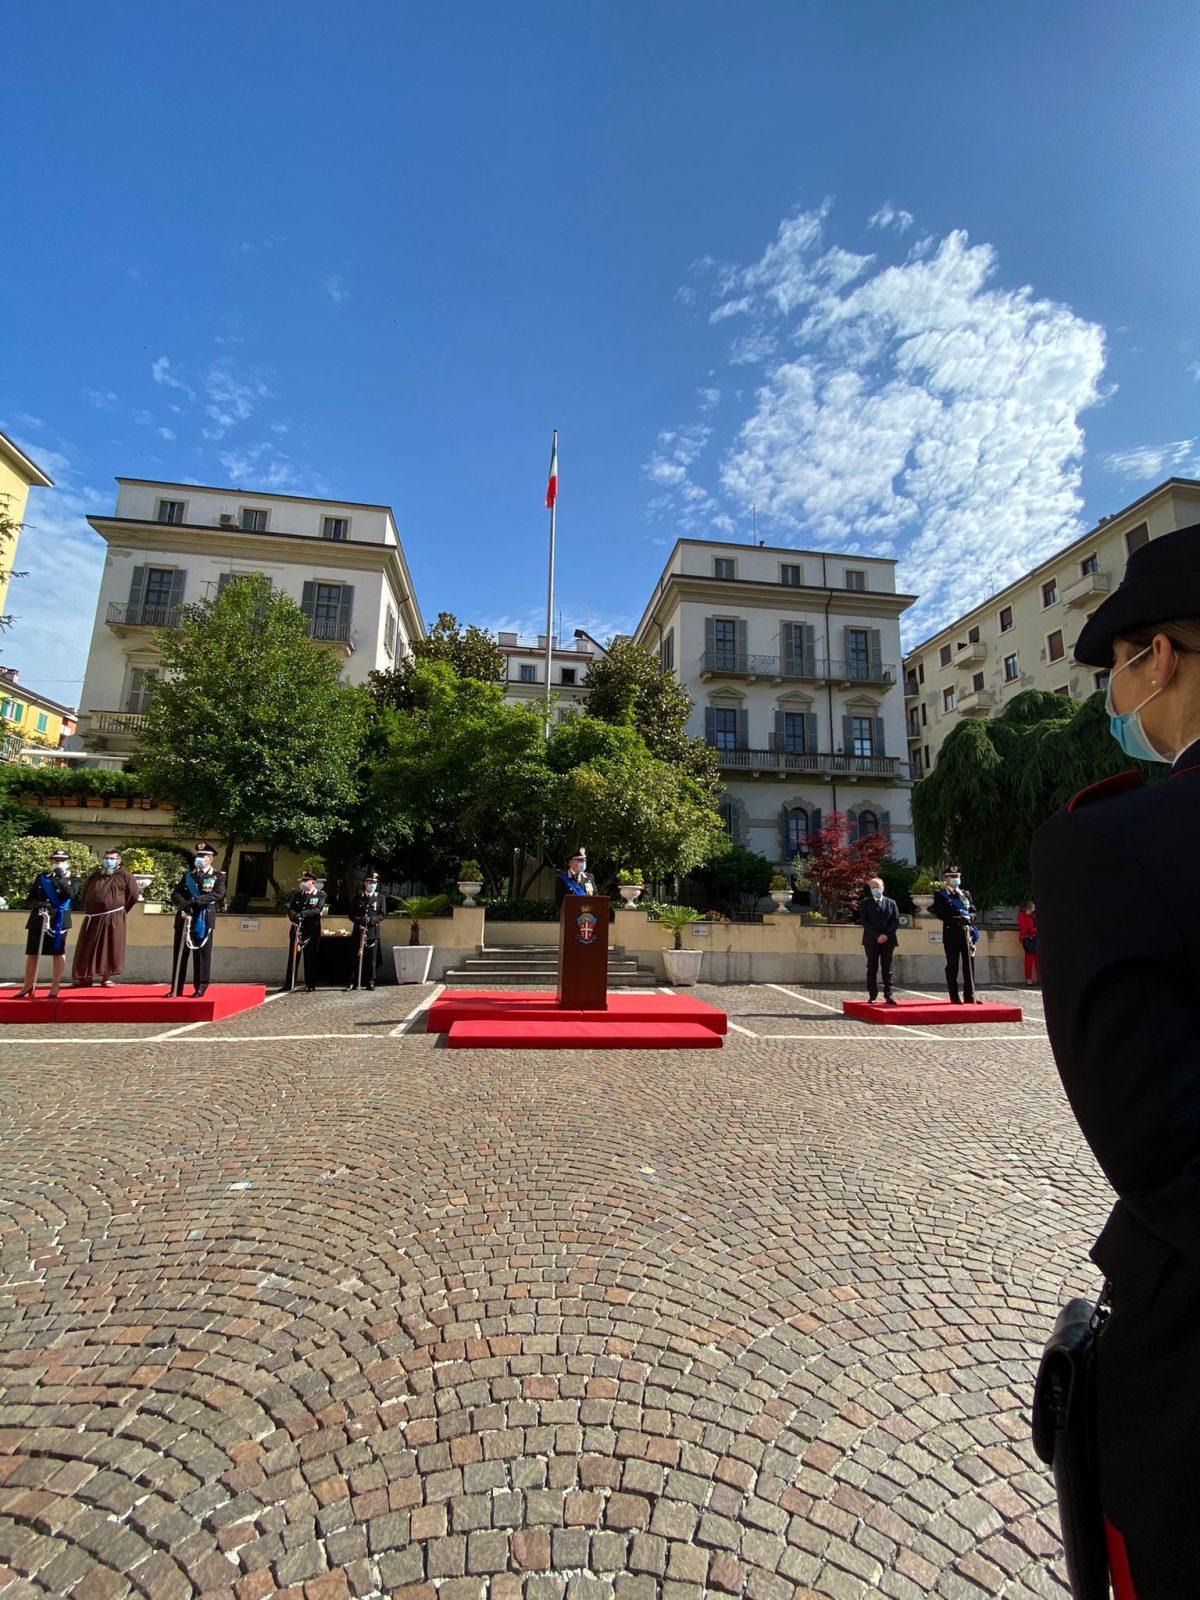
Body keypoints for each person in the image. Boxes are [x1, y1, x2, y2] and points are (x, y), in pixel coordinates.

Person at [1031, 521, 1200, 1597]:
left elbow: (1164, 1156)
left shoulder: (1115, 845)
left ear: (1161, 659)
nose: (1114, 694)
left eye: (1116, 666)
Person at [71, 848, 141, 987]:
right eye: (106, 858)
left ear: (118, 861)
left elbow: (133, 896)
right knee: (88, 947)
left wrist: (119, 910)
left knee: (109, 946)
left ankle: (106, 977)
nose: (108, 861)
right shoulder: (95, 876)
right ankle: (86, 977)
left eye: (112, 858)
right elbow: (85, 894)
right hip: (93, 917)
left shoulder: (125, 876)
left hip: (113, 917)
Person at [169, 844, 226, 997]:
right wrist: (184, 905)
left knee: (202, 954)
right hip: (185, 916)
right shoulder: (188, 875)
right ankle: (176, 987)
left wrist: (195, 902)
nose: (199, 859)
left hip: (203, 917)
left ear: (210, 859)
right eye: (198, 856)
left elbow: (217, 894)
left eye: (202, 857)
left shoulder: (218, 876)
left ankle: (200, 987)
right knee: (180, 953)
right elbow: (176, 894)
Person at [19, 848, 78, 998]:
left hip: (59, 918)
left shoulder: (73, 878)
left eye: (62, 861)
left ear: (68, 862)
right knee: (32, 953)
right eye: (56, 860)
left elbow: (71, 895)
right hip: (39, 918)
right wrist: (38, 904)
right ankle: (28, 985)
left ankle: (55, 985)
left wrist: (61, 878)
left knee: (58, 953)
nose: (58, 863)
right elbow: (29, 900)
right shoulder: (42, 877)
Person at [931, 864, 980, 1003]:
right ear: (946, 879)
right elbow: (940, 913)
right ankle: (954, 996)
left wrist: (970, 917)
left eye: (957, 877)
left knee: (969, 965)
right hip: (952, 934)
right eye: (952, 877)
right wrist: (958, 920)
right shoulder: (941, 895)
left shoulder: (965, 894)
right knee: (953, 965)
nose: (955, 879)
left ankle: (970, 996)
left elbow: (973, 911)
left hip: (967, 934)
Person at [856, 876, 899, 1004]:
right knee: (872, 967)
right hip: (871, 940)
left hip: (888, 940)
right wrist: (877, 935)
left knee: (887, 968)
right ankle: (872, 995)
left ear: (883, 888)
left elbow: (895, 921)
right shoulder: (865, 903)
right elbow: (864, 921)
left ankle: (888, 995)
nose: (875, 890)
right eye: (872, 888)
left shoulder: (891, 903)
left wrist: (886, 935)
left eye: (877, 887)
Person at [284, 871, 326, 991]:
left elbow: (318, 909)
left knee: (310, 958)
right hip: (297, 929)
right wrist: (294, 916)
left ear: (312, 882)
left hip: (311, 930)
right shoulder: (298, 895)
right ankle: (289, 983)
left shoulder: (320, 895)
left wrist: (303, 914)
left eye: (305, 881)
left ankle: (311, 984)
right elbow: (291, 909)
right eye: (302, 881)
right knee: (293, 958)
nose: (303, 883)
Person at [346, 870, 386, 990]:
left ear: (376, 884)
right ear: (365, 883)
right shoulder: (358, 898)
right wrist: (360, 920)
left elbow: (382, 915)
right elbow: (351, 914)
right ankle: (352, 981)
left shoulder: (380, 898)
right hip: (358, 932)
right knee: (355, 957)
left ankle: (371, 981)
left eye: (374, 882)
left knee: (371, 959)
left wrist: (370, 920)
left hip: (372, 933)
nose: (371, 884)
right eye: (369, 881)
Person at [1017, 900, 1038, 985]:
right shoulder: (1022, 916)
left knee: (1037, 960)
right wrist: (1032, 931)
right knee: (1029, 959)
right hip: (1028, 939)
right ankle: (1028, 979)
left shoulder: (1032, 916)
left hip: (1035, 938)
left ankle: (1039, 979)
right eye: (1031, 907)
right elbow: (1025, 928)